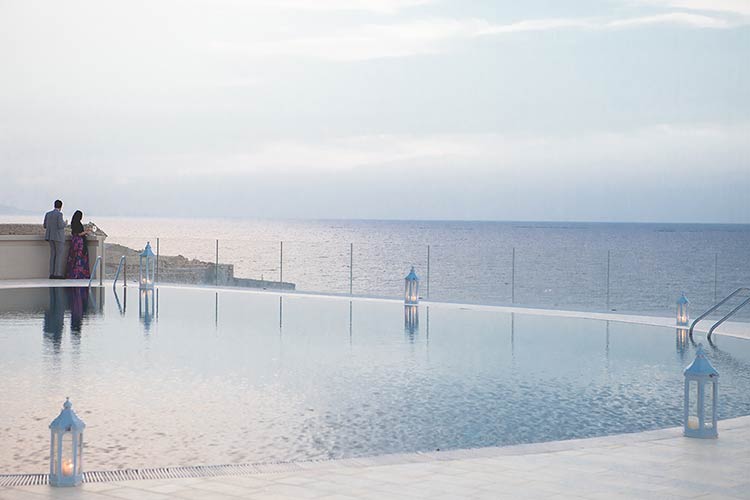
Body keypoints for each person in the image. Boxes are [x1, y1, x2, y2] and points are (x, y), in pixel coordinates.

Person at [43, 200, 67, 279]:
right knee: (59, 256)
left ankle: (51, 273)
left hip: (50, 237)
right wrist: (65, 223)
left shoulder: (48, 214)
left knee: (53, 255)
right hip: (58, 238)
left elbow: (45, 225)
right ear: (61, 206)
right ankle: (57, 273)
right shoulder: (59, 214)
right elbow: (60, 225)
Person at [66, 210, 92, 279]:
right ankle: (79, 274)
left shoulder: (73, 223)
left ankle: (72, 274)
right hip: (79, 243)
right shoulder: (78, 223)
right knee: (80, 258)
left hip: (74, 242)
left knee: (73, 258)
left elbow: (74, 233)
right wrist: (86, 232)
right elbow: (79, 233)